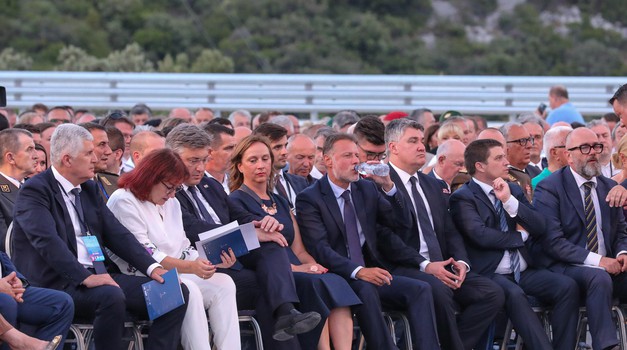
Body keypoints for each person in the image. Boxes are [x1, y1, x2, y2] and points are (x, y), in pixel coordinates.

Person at [11, 124, 188, 350]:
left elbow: (118, 234)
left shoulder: (88, 189)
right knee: (110, 296)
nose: (95, 158)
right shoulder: (36, 190)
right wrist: (84, 277)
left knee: (174, 290)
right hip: (59, 281)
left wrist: (152, 268)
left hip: (99, 275)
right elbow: (47, 242)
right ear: (67, 160)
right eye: (88, 153)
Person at [167, 124, 321, 350]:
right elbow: (193, 227)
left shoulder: (210, 185)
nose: (200, 167)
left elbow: (237, 215)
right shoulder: (170, 192)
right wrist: (247, 233)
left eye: (203, 160)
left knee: (271, 243)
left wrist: (259, 223)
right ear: (172, 158)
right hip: (199, 264)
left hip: (231, 257)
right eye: (193, 161)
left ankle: (287, 311)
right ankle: (286, 312)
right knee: (266, 285)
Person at [296, 133, 440, 349]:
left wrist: (389, 187)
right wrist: (359, 271)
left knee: (421, 289)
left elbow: (400, 223)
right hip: (338, 276)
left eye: (357, 155)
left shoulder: (366, 188)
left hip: (374, 270)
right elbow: (321, 249)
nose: (356, 161)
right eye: (348, 156)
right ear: (328, 160)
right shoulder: (310, 198)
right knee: (365, 289)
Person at [229, 135, 360, 350]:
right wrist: (298, 269)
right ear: (240, 166)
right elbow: (252, 254)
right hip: (271, 272)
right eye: (253, 160)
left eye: (265, 159)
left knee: (334, 280)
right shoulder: (235, 201)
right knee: (314, 284)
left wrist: (312, 265)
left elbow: (298, 248)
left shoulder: (280, 200)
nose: (261, 165)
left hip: (296, 266)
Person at [449, 139, 579, 350]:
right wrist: (520, 237)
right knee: (515, 295)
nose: (506, 162)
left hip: (524, 269)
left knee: (566, 286)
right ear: (480, 166)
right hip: (490, 273)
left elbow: (539, 225)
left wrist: (509, 201)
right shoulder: (463, 197)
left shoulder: (513, 190)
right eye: (499, 158)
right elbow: (480, 235)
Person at [385, 119, 503, 350]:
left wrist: (461, 262)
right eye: (413, 141)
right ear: (393, 147)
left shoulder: (430, 184)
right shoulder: (380, 183)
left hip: (442, 265)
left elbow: (449, 231)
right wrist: (426, 265)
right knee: (438, 290)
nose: (421, 146)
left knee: (492, 293)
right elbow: (386, 238)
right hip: (404, 266)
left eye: (421, 140)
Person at [107, 149, 240, 350]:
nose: (171, 195)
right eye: (169, 187)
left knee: (224, 282)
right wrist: (191, 267)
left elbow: (184, 248)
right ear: (150, 178)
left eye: (177, 189)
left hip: (177, 272)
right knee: (189, 289)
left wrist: (210, 261)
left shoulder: (173, 203)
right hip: (141, 277)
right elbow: (145, 254)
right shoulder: (124, 200)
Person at [533, 127, 627, 350]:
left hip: (608, 265)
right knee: (598, 277)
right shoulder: (550, 188)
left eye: (596, 146)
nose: (593, 152)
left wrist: (623, 253)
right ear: (568, 155)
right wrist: (600, 261)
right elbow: (553, 242)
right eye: (584, 148)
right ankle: (605, 346)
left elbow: (621, 232)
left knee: (603, 275)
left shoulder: (609, 186)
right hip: (566, 266)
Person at [0, 250, 73, 349]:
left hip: (6, 284)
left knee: (61, 304)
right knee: (6, 303)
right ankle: (20, 341)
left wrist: (17, 279)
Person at [253, 124, 308, 209]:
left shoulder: (301, 182)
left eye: (285, 146)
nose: (284, 152)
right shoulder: (252, 187)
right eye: (277, 147)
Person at [0, 129, 38, 252]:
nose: (36, 155)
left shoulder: (36, 188)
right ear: (10, 158)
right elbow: (5, 243)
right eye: (29, 149)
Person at [202, 123, 236, 194]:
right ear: (209, 152)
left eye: (235, 147)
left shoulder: (237, 182)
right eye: (229, 148)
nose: (235, 153)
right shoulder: (197, 186)